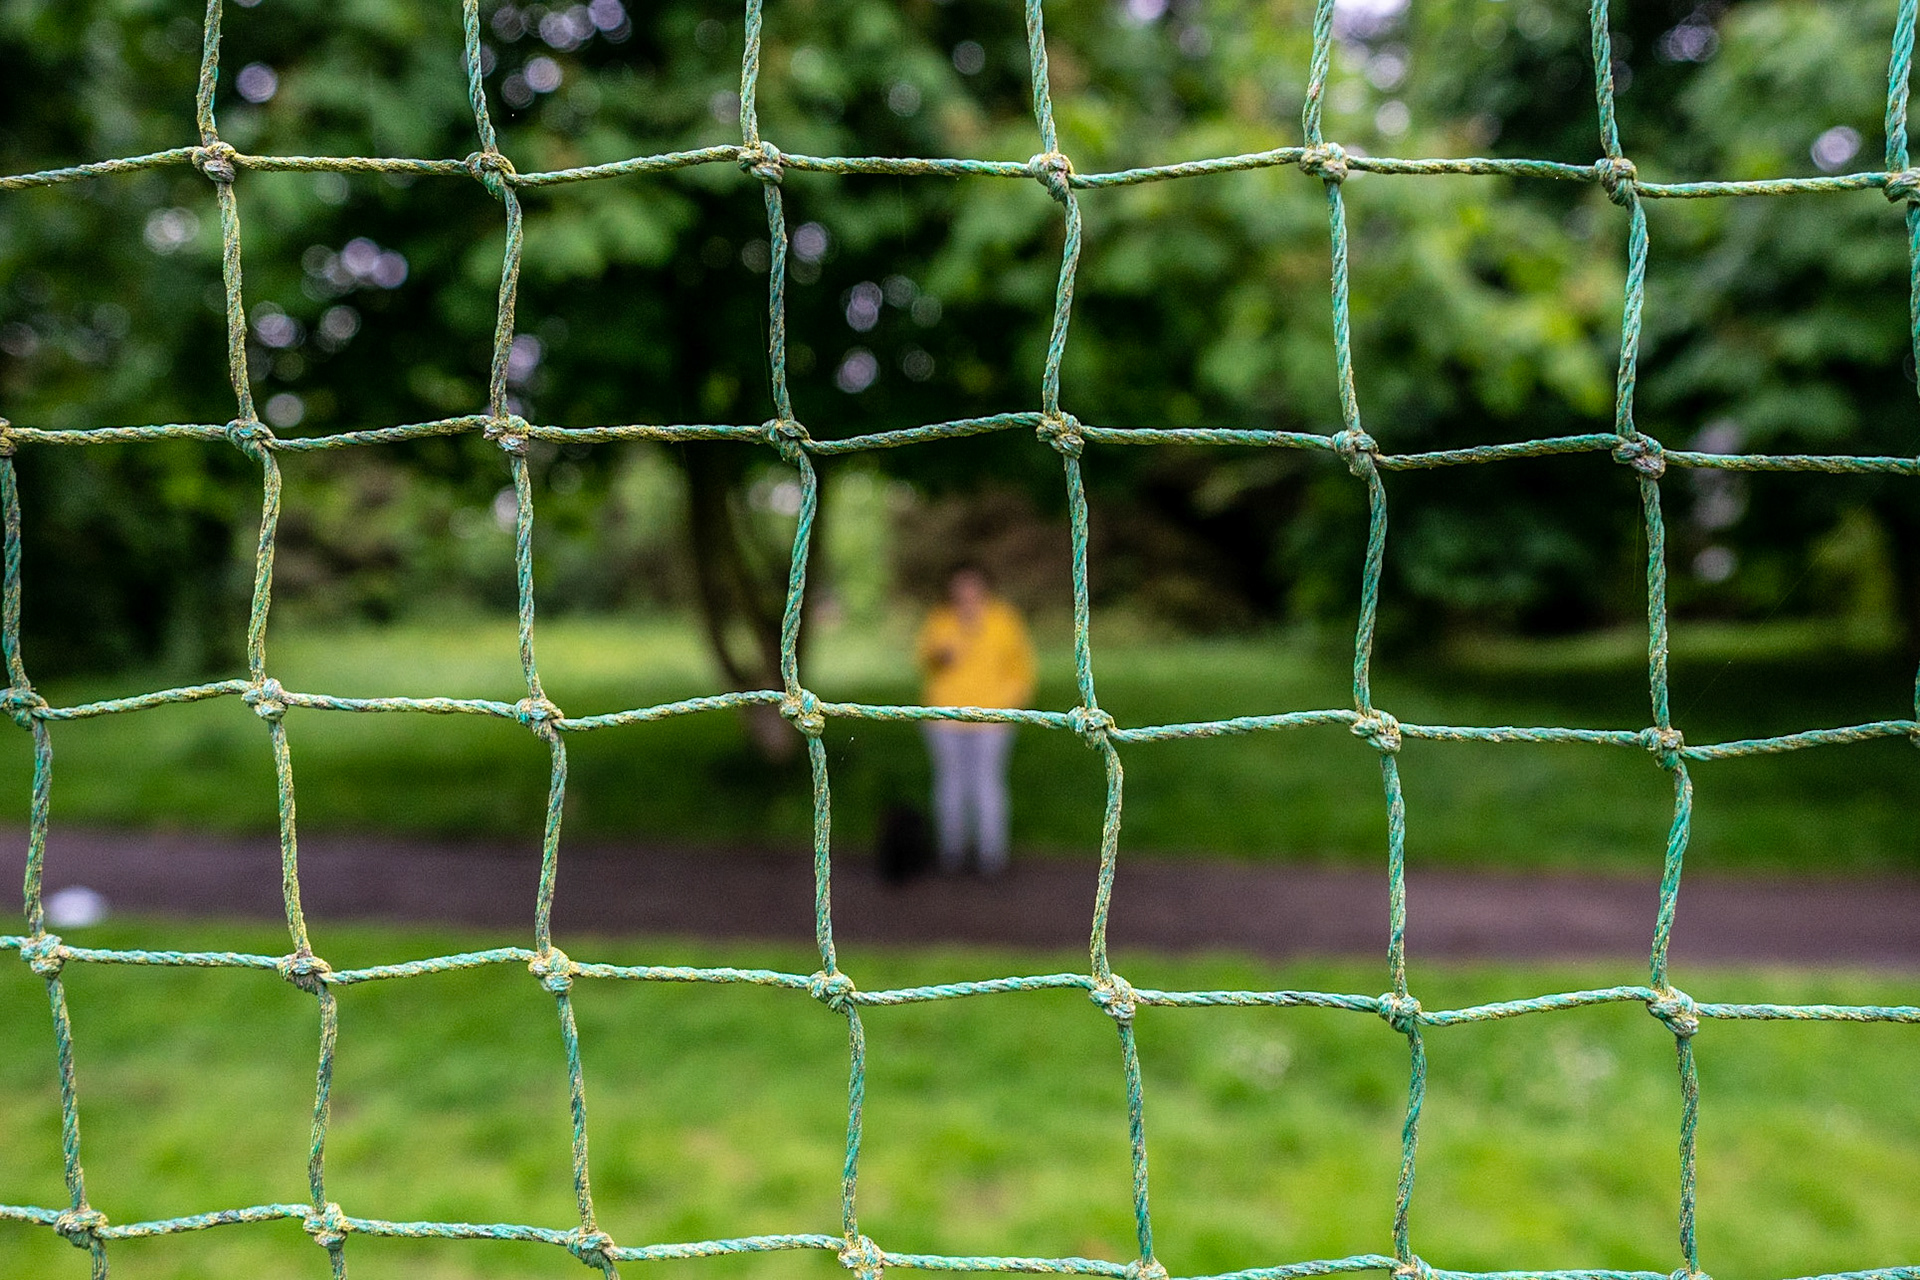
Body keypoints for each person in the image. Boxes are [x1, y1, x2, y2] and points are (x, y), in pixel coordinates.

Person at [914, 565, 1037, 877]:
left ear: (984, 588)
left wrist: (1011, 706)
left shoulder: (1003, 620)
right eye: (961, 588)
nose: (967, 594)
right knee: (950, 784)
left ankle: (990, 856)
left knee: (987, 784)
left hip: (992, 719)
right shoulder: (941, 619)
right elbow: (924, 660)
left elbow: (1022, 668)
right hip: (944, 717)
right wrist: (941, 654)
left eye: (973, 587)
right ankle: (951, 853)